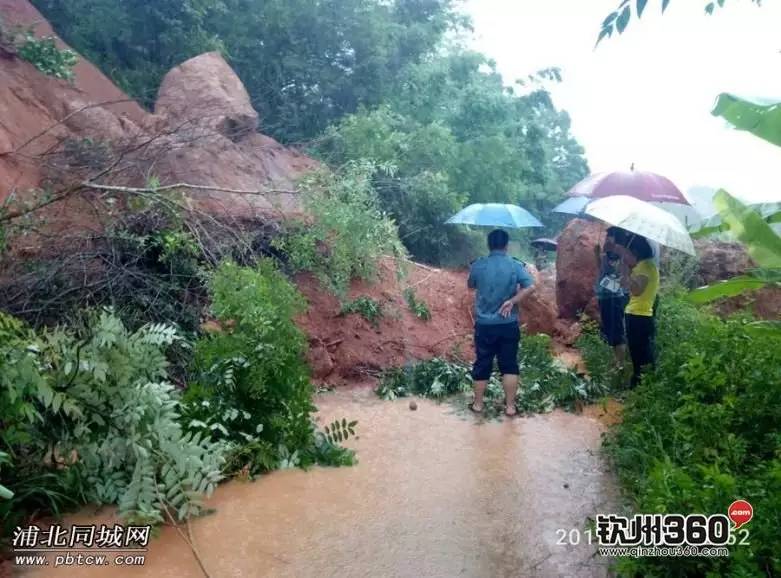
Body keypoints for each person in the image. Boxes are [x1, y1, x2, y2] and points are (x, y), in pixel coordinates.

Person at [467, 229, 535, 416]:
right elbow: (530, 286)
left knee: (482, 363)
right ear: (506, 245)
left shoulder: (479, 265)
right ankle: (511, 407)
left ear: (489, 245)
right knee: (509, 364)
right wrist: (512, 301)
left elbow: (470, 285)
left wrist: (472, 269)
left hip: (485, 325)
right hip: (508, 323)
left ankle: (478, 405)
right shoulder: (515, 265)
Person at [605, 230, 660, 387]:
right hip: (637, 313)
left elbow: (636, 290)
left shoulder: (646, 267)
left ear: (635, 251)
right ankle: (641, 383)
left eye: (628, 252)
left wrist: (626, 274)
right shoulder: (643, 266)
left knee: (640, 352)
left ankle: (642, 385)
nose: (626, 256)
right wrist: (624, 272)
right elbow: (626, 286)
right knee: (638, 351)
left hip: (639, 315)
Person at [594, 228, 628, 367]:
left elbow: (622, 274)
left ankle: (620, 364)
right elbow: (601, 270)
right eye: (606, 236)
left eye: (610, 236)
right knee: (609, 329)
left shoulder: (622, 256)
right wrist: (597, 255)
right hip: (604, 296)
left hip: (615, 297)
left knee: (617, 330)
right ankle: (616, 361)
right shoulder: (606, 255)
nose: (606, 239)